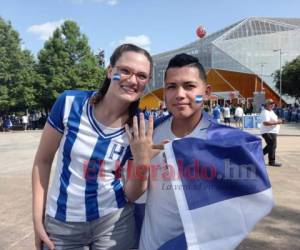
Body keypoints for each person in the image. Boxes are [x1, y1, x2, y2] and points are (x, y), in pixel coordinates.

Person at [127, 53, 273, 250]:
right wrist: (141, 162)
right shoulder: (146, 135)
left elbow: (243, 208)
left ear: (206, 92)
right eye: (171, 87)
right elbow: (133, 195)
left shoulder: (224, 145)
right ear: (164, 93)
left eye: (189, 86)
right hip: (149, 244)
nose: (179, 94)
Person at [32, 43, 153, 250]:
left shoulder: (141, 123)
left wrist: (143, 160)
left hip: (115, 221)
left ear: (147, 82)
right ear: (110, 71)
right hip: (62, 223)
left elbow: (133, 194)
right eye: (125, 71)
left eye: (141, 76)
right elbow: (42, 161)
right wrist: (37, 219)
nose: (133, 80)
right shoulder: (70, 103)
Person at [260, 98, 283, 167]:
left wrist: (279, 120)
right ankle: (272, 161)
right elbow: (266, 123)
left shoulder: (271, 111)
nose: (272, 105)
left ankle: (257, 156)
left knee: (270, 146)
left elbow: (273, 120)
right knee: (272, 146)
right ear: (266, 105)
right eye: (270, 103)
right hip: (268, 132)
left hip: (271, 132)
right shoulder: (265, 112)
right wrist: (277, 122)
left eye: (273, 104)